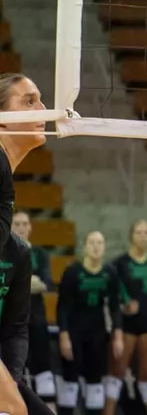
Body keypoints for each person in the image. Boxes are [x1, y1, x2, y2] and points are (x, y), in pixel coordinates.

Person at [0, 75, 55, 415]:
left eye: (41, 100)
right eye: (29, 101)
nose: (44, 110)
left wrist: (11, 379)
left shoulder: (18, 251)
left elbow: (15, 329)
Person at [109, 220, 147, 415]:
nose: (143, 236)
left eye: (146, 233)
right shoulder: (119, 263)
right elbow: (111, 293)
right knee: (117, 371)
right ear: (131, 236)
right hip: (126, 326)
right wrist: (123, 305)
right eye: (139, 232)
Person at [58, 231, 121, 415]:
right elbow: (62, 307)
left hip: (97, 333)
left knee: (95, 381)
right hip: (74, 332)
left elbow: (115, 306)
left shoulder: (110, 273)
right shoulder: (72, 272)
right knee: (70, 380)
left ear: (104, 247)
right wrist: (63, 335)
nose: (96, 246)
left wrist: (117, 334)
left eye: (100, 243)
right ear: (84, 247)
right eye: (92, 242)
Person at [11, 211, 54, 409]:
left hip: (37, 320)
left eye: (24, 223)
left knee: (44, 371)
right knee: (12, 374)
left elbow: (45, 284)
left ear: (30, 227)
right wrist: (31, 281)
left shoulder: (40, 254)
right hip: (11, 324)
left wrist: (18, 282)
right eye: (17, 223)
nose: (21, 227)